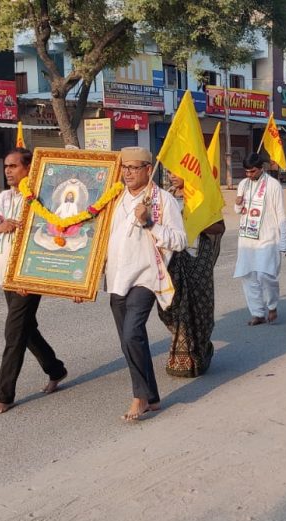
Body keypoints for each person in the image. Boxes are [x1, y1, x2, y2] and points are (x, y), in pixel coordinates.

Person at [0, 148, 68, 414]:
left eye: (14, 166)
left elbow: (56, 231)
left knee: (14, 332)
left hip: (30, 273)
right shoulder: (4, 198)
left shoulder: (43, 197)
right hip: (6, 273)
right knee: (25, 328)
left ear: (29, 168)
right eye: (6, 166)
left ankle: (4, 395)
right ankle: (56, 369)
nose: (8, 171)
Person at [106, 147, 187, 420]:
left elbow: (179, 240)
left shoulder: (163, 200)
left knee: (132, 334)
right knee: (130, 340)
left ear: (148, 169)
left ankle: (139, 397)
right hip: (117, 277)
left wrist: (150, 223)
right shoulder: (114, 198)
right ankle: (151, 396)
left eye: (133, 167)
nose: (127, 172)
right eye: (124, 167)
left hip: (146, 277)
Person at [157, 172, 225, 377]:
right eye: (169, 172)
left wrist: (197, 222)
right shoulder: (164, 197)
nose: (172, 176)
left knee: (199, 307)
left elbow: (219, 227)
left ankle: (197, 352)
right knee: (168, 308)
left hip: (197, 257)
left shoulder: (201, 197)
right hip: (171, 259)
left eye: (178, 171)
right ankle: (188, 343)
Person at [234, 152, 286, 326]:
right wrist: (237, 203)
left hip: (267, 235)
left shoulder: (273, 185)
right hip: (247, 238)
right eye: (247, 172)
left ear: (261, 168)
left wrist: (284, 241)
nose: (249, 175)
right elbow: (238, 211)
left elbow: (280, 212)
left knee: (267, 274)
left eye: (252, 171)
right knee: (248, 275)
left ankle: (272, 305)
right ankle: (257, 312)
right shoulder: (243, 184)